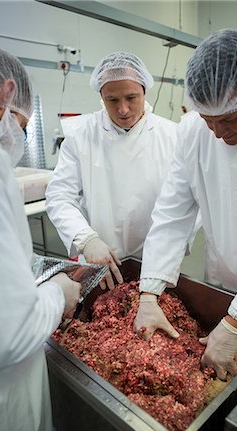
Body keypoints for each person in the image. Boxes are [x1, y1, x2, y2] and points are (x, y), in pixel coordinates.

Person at [134, 29, 237, 380]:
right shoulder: (193, 131)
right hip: (219, 282)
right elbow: (172, 215)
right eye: (209, 121)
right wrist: (149, 292)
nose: (218, 134)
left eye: (230, 119)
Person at [0, 48, 81, 431]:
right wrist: (56, 294)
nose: (17, 139)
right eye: (21, 126)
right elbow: (9, 335)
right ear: (5, 96)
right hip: (4, 404)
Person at [46, 51, 179, 290]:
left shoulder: (172, 136)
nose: (124, 109)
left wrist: (169, 247)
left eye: (131, 97)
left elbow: (188, 201)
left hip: (158, 260)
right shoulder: (81, 135)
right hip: (99, 258)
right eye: (112, 100)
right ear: (101, 96)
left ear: (145, 91)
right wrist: (86, 239)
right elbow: (59, 196)